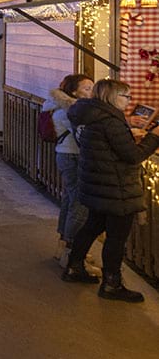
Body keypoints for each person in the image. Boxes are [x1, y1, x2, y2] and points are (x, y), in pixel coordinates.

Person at [63, 79, 159, 302]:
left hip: (97, 184)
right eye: (125, 96)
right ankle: (111, 284)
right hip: (115, 188)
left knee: (92, 226)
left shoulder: (89, 115)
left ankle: (74, 267)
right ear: (112, 97)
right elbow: (132, 156)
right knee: (116, 238)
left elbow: (107, 146)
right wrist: (154, 137)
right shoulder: (110, 122)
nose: (129, 101)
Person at [48, 74, 95, 269]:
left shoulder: (65, 107)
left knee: (69, 200)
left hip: (66, 155)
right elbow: (88, 134)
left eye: (93, 88)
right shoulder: (71, 111)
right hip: (72, 156)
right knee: (79, 204)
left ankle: (63, 245)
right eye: (87, 89)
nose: (91, 93)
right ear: (74, 91)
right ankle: (72, 251)